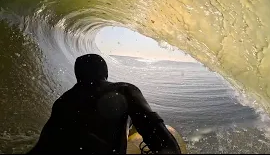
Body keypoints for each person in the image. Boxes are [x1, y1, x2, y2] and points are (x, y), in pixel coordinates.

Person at [28, 54, 181, 154]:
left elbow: (44, 145)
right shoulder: (124, 89)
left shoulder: (63, 101)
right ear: (105, 73)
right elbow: (153, 129)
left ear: (78, 76)